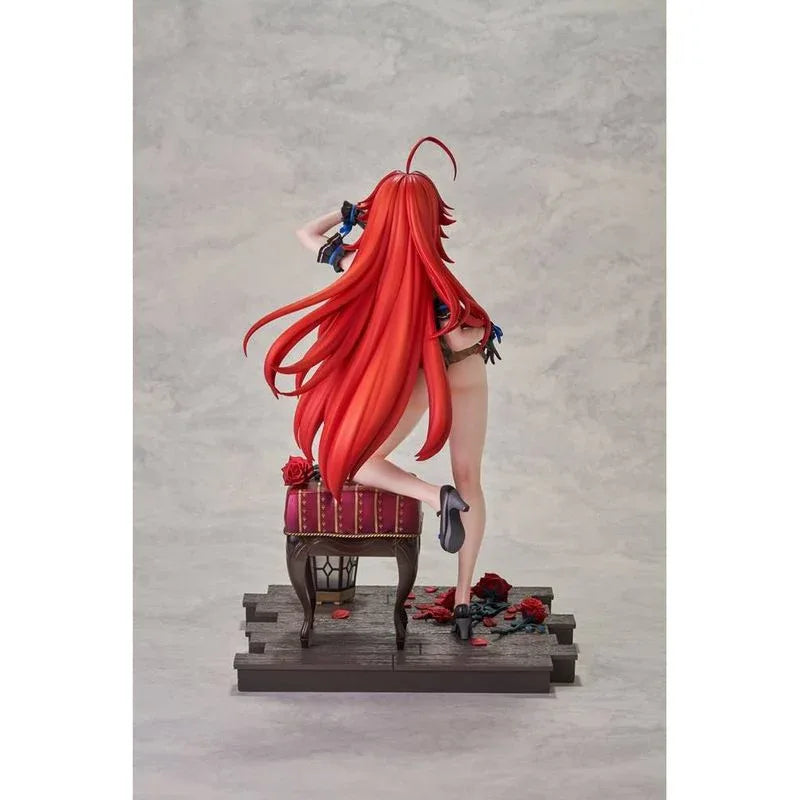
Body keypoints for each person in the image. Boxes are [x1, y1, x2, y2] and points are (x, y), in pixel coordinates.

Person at [243, 136, 503, 639]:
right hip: (468, 363)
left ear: (381, 216)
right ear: (430, 218)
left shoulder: (360, 265)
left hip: (427, 371)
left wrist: (353, 213)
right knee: (471, 474)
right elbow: (467, 334)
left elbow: (305, 232)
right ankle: (464, 600)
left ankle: (435, 496)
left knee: (361, 461)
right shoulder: (442, 283)